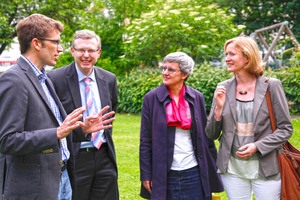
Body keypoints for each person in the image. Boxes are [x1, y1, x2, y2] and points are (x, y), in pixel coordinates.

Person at [0, 14, 115, 200]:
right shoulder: (14, 79)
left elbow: (51, 128)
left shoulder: (43, 78)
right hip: (35, 187)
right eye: (56, 42)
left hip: (60, 179)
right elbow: (7, 140)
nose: (60, 49)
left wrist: (80, 129)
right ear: (37, 44)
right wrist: (56, 133)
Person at [205, 36, 293, 200]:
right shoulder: (222, 87)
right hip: (232, 168)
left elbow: (285, 129)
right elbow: (211, 134)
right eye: (226, 54)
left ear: (247, 57)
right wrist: (218, 108)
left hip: (266, 166)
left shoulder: (271, 85)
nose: (227, 59)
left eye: (232, 54)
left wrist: (257, 146)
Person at [139, 52, 224, 200]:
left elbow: (206, 137)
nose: (165, 73)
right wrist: (146, 174)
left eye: (171, 69)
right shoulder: (151, 98)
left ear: (184, 74)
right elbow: (145, 140)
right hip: (164, 173)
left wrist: (212, 168)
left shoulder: (196, 97)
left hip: (194, 172)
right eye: (164, 68)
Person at [47, 29, 119, 200]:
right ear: (72, 51)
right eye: (81, 50)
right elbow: (50, 122)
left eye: (91, 50)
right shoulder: (55, 79)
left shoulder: (109, 79)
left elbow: (112, 108)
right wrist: (82, 129)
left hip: (104, 155)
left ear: (98, 53)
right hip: (74, 158)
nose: (86, 55)